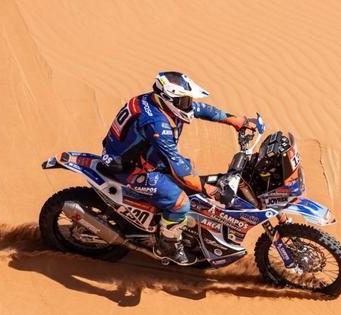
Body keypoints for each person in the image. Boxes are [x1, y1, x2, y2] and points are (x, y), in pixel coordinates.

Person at [100, 71, 257, 264]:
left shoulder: (158, 102)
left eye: (187, 100)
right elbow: (180, 171)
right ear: (167, 99)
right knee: (182, 202)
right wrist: (208, 189)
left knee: (190, 173)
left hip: (142, 156)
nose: (188, 105)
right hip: (129, 169)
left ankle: (167, 220)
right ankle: (167, 243)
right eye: (184, 101)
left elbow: (200, 109)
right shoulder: (158, 125)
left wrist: (234, 120)